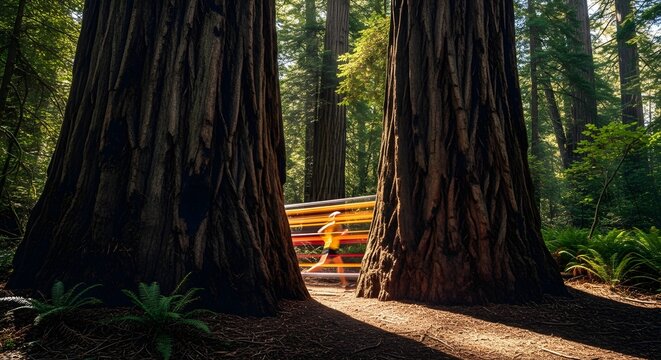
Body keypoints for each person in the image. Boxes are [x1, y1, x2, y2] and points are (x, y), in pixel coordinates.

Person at [304, 211, 350, 288]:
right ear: (334, 217)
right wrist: (326, 239)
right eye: (337, 216)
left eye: (340, 216)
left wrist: (342, 234)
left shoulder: (338, 225)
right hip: (330, 247)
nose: (339, 217)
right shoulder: (332, 224)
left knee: (324, 264)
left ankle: (304, 274)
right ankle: (344, 283)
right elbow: (319, 231)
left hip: (332, 247)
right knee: (335, 264)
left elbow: (336, 236)